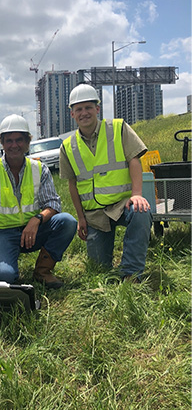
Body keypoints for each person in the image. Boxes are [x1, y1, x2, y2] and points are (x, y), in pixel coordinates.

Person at [0, 114, 77, 289]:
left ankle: (42, 271)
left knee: (67, 222)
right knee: (4, 278)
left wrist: (37, 220)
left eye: (19, 140)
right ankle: (0, 260)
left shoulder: (39, 169)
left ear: (27, 142)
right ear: (2, 143)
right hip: (2, 234)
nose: (14, 145)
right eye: (9, 140)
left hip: (33, 231)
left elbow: (53, 204)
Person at [59, 84, 152, 282]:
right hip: (94, 215)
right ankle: (112, 270)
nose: (84, 113)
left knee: (141, 212)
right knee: (100, 273)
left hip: (122, 204)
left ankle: (131, 273)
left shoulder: (118, 128)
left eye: (88, 107)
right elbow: (72, 184)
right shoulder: (67, 146)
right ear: (72, 114)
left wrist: (136, 194)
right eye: (79, 109)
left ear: (97, 109)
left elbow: (134, 159)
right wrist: (81, 218)